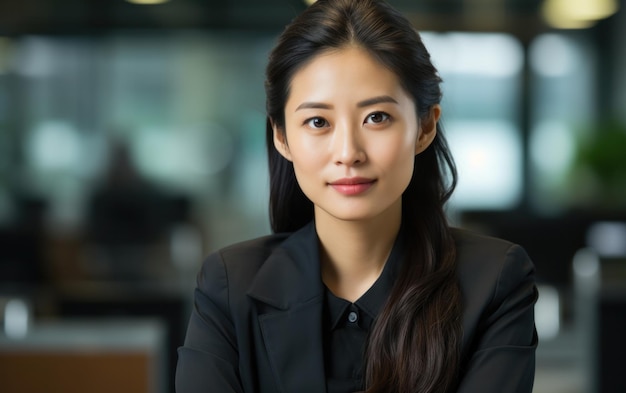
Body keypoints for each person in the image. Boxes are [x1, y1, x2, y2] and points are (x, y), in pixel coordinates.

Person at [175, 0, 538, 392]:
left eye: (376, 118)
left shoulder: (494, 282)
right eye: (318, 122)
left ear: (424, 128)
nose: (348, 152)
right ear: (282, 136)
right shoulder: (229, 287)